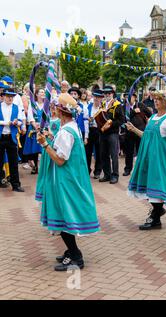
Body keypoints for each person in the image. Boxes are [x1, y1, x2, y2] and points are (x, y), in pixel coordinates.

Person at [37, 93, 100, 271]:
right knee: (64, 215)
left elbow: (60, 160)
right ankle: (71, 252)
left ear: (61, 111)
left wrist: (44, 144)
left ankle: (76, 257)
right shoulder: (73, 127)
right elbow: (63, 149)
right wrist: (51, 138)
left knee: (64, 216)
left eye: (56, 107)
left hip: (65, 180)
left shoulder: (66, 131)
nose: (54, 109)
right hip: (71, 178)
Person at [127, 90, 166, 231]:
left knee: (159, 186)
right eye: (155, 99)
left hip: (161, 159)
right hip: (148, 157)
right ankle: (157, 215)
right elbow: (146, 136)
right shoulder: (152, 118)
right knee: (149, 186)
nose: (156, 101)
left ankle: (155, 216)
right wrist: (133, 129)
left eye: (159, 99)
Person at [99, 85, 125, 184]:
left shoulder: (117, 105)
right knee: (103, 154)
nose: (107, 95)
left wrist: (111, 124)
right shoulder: (103, 104)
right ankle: (107, 174)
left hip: (112, 133)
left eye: (109, 93)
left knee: (114, 154)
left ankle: (115, 175)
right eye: (105, 93)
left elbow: (122, 120)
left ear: (113, 94)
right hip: (103, 133)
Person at [0, 89, 26, 192]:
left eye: (12, 96)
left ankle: (16, 185)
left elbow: (20, 121)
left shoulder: (17, 108)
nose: (10, 98)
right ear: (3, 96)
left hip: (11, 137)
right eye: (7, 96)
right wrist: (7, 122)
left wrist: (17, 122)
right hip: (1, 136)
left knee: (14, 162)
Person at [35, 100, 60, 201]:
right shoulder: (46, 119)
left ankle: (54, 191)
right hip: (46, 147)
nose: (53, 108)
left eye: (55, 106)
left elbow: (59, 135)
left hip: (55, 148)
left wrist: (50, 134)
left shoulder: (59, 121)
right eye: (51, 106)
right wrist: (40, 132)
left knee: (54, 170)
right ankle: (45, 191)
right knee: (45, 169)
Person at [123, 94, 152, 176]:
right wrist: (133, 112)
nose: (128, 98)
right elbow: (124, 118)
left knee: (141, 151)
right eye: (126, 97)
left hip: (140, 132)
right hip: (129, 132)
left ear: (135, 97)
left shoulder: (141, 105)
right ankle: (128, 169)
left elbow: (150, 114)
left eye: (130, 96)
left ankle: (141, 169)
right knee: (129, 152)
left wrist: (148, 123)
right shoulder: (124, 107)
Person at [23, 88, 45, 175]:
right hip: (34, 128)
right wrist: (35, 125)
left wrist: (44, 126)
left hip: (44, 129)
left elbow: (49, 116)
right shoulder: (33, 104)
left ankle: (44, 167)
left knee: (44, 149)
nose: (43, 93)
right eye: (41, 92)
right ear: (36, 94)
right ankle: (35, 166)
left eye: (44, 92)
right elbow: (30, 116)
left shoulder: (46, 105)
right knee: (35, 149)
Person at [85, 89, 104, 179]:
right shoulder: (88, 107)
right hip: (90, 130)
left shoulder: (103, 108)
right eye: (95, 97)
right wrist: (88, 119)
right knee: (88, 152)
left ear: (101, 98)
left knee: (99, 151)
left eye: (99, 97)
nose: (96, 99)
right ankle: (87, 170)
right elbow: (84, 119)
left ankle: (97, 171)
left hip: (99, 131)